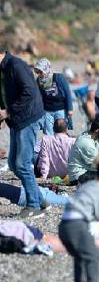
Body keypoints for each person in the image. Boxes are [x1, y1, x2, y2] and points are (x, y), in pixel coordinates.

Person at [0, 50, 47, 218]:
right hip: (17, 120)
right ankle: (41, 200)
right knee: (13, 164)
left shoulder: (16, 65)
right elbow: (4, 95)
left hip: (29, 119)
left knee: (22, 164)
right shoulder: (3, 69)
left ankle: (33, 206)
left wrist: (8, 112)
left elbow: (30, 93)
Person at [33, 58, 73, 135]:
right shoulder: (38, 81)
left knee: (61, 132)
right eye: (38, 72)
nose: (39, 74)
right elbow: (37, 96)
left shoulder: (59, 77)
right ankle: (50, 146)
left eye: (41, 71)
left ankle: (61, 146)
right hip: (47, 111)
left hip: (60, 110)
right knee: (48, 133)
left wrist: (70, 109)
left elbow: (68, 92)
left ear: (46, 69)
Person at [68, 119, 99, 185]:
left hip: (86, 172)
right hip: (78, 177)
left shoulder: (89, 135)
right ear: (97, 131)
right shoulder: (87, 143)